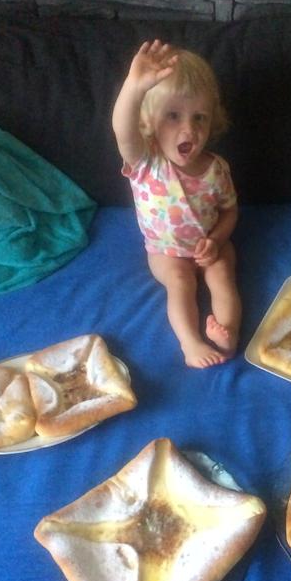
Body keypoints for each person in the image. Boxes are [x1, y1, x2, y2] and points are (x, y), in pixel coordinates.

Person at [112, 39, 241, 368]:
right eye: (173, 115)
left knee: (223, 273)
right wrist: (134, 88)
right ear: (149, 122)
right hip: (165, 252)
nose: (189, 129)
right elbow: (122, 130)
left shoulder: (217, 169)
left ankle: (228, 333)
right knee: (180, 282)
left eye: (200, 118)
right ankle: (190, 343)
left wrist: (217, 241)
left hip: (209, 244)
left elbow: (229, 211)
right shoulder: (147, 162)